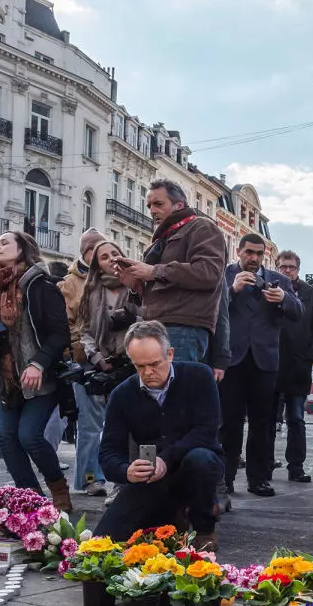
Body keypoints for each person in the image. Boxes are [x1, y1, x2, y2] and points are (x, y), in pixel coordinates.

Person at [95, 321, 224, 551]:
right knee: (103, 541)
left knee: (200, 460)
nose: (148, 373)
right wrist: (126, 471)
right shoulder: (122, 394)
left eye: (155, 364)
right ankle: (174, 515)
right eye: (139, 366)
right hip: (152, 476)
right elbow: (108, 452)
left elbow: (206, 431)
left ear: (170, 354)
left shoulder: (199, 376)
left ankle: (205, 527)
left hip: (196, 463)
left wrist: (166, 458)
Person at [0, 232, 71, 510]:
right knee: (5, 438)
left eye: (5, 242)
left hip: (40, 376)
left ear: (22, 249)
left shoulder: (41, 285)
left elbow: (60, 333)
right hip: (4, 377)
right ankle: (32, 501)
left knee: (30, 436)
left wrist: (38, 363)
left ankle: (59, 489)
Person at [220, 234, 303, 497]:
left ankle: (258, 478)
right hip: (232, 360)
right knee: (229, 423)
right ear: (239, 251)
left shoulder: (279, 280)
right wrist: (231, 290)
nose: (253, 258)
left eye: (258, 253)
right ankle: (226, 477)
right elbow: (210, 309)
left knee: (261, 423)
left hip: (265, 362)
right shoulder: (224, 276)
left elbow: (299, 312)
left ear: (264, 254)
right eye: (248, 252)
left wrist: (283, 299)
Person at [116, 180, 226, 363]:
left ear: (179, 205)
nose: (152, 210)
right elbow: (160, 289)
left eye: (158, 204)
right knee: (158, 390)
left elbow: (209, 273)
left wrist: (153, 271)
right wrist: (136, 285)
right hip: (156, 326)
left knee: (174, 388)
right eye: (149, 205)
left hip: (183, 327)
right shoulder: (163, 238)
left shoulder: (202, 227)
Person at [77, 240, 141, 504]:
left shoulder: (136, 286)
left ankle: (133, 481)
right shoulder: (91, 292)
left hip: (135, 362)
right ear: (96, 263)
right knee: (111, 428)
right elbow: (85, 331)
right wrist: (96, 356)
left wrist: (132, 319)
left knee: (135, 428)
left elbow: (153, 318)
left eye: (115, 253)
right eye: (104, 256)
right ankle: (110, 481)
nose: (111, 258)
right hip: (106, 364)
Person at [57, 228, 109, 495]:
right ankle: (90, 478)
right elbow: (66, 325)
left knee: (111, 422)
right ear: (88, 253)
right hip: (85, 361)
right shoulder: (69, 284)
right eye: (97, 250)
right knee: (89, 424)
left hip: (113, 361)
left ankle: (108, 476)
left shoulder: (115, 278)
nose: (103, 256)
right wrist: (80, 351)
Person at [272, 250, 313, 483]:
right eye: (282, 266)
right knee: (265, 420)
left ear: (298, 269)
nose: (286, 271)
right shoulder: (267, 289)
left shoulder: (309, 294)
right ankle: (263, 467)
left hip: (297, 368)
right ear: (276, 267)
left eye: (291, 267)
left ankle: (296, 466)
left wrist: (308, 357)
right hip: (269, 366)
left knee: (296, 419)